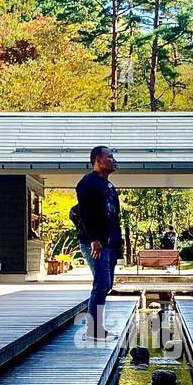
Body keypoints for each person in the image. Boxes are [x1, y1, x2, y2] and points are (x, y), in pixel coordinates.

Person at [76, 144, 122, 341]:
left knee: (107, 284)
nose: (113, 160)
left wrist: (118, 244)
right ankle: (94, 330)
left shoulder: (109, 186)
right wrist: (94, 239)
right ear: (98, 160)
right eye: (109, 156)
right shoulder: (87, 183)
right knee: (101, 283)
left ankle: (96, 328)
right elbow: (86, 214)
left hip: (109, 244)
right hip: (95, 243)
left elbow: (114, 217)